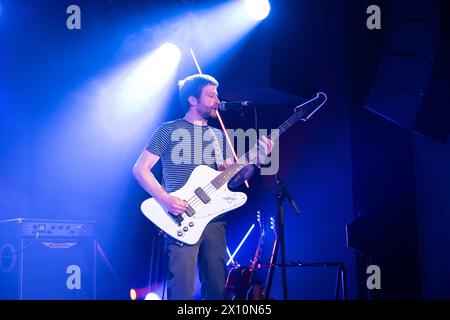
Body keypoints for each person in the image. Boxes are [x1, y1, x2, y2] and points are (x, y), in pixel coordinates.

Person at [132, 74, 272, 300]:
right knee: (181, 291)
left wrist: (255, 160)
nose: (217, 99)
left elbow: (231, 181)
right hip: (180, 218)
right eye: (210, 95)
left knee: (217, 289)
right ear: (192, 100)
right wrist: (164, 199)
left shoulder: (218, 136)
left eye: (217, 94)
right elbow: (140, 169)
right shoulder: (168, 130)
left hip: (214, 221)